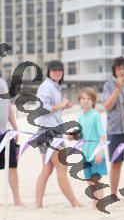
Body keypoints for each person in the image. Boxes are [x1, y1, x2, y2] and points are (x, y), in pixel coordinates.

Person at [34, 60, 81, 209]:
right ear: (49, 72)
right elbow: (43, 109)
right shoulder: (46, 86)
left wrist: (64, 107)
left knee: (47, 169)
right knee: (62, 169)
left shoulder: (53, 87)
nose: (57, 72)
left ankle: (38, 204)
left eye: (60, 70)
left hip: (48, 130)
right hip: (49, 132)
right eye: (54, 70)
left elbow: (51, 112)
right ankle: (74, 202)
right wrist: (62, 104)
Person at [101, 56, 124, 197]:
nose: (121, 71)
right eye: (118, 68)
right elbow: (107, 106)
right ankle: (113, 194)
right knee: (116, 163)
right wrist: (118, 88)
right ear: (114, 71)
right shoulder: (109, 85)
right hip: (115, 130)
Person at [69, 87, 107, 209]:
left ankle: (100, 203)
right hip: (85, 154)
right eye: (83, 98)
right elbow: (79, 135)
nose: (86, 101)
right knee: (89, 180)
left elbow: (102, 136)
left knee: (96, 180)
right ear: (80, 100)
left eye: (89, 99)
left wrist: (100, 152)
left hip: (96, 153)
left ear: (93, 101)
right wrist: (71, 136)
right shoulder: (81, 117)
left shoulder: (96, 115)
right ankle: (94, 203)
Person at [0, 75, 23, 206]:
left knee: (12, 166)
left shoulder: (3, 82)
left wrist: (15, 128)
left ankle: (17, 199)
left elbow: (8, 107)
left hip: (5, 133)